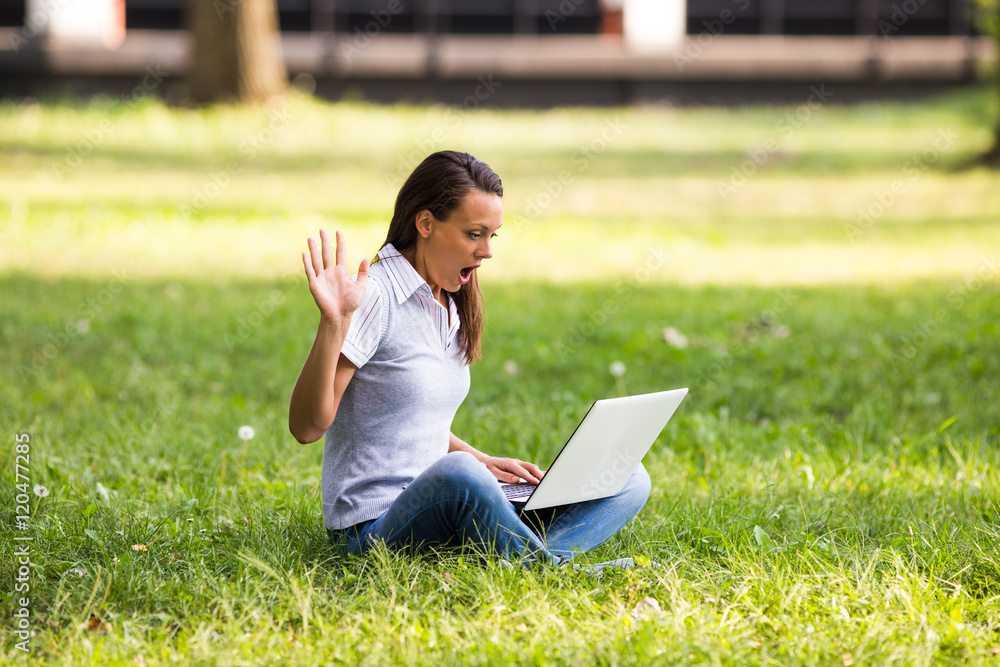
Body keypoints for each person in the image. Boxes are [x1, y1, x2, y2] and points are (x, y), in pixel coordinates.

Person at [288, 150, 651, 570]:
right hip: (373, 528)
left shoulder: (449, 301)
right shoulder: (374, 297)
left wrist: (483, 462)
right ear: (425, 224)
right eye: (474, 234)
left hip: (449, 503)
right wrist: (334, 323)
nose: (487, 252)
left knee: (626, 476)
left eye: (492, 236)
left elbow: (407, 421)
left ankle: (524, 556)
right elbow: (307, 427)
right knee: (459, 474)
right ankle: (548, 570)